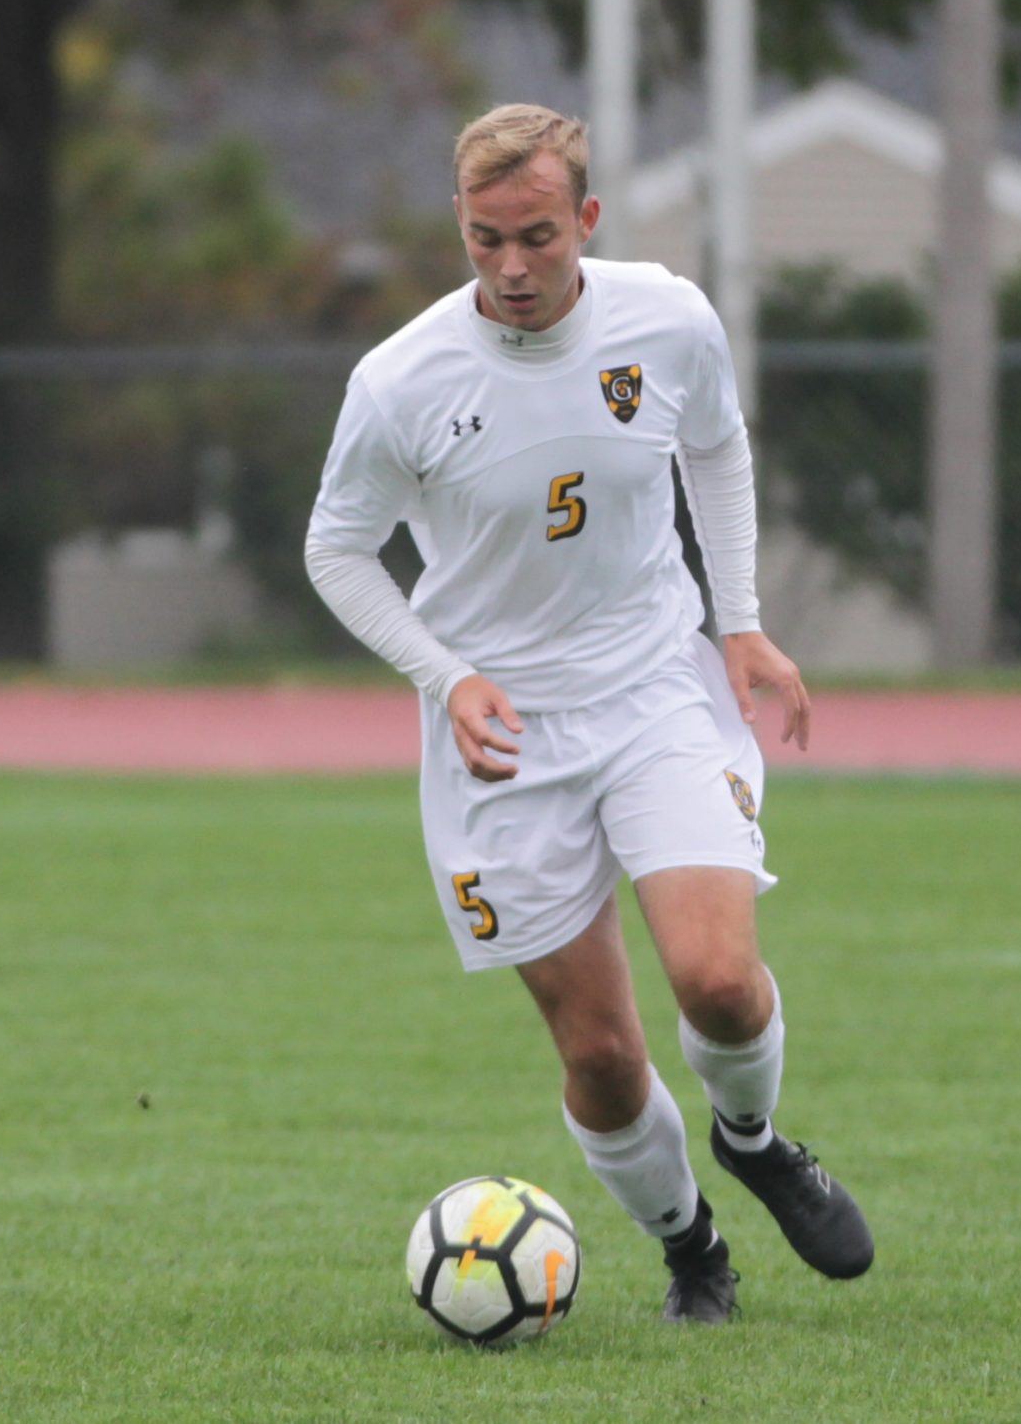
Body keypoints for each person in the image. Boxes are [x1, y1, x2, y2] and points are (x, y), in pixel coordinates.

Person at [304, 103, 872, 1324]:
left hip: (655, 683)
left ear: (588, 222)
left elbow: (715, 448)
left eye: (538, 238)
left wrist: (740, 616)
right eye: (483, 240)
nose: (511, 268)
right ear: (459, 230)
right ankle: (693, 1252)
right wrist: (445, 675)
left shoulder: (664, 315)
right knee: (604, 1058)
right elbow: (336, 550)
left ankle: (755, 1138)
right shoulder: (400, 380)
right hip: (504, 735)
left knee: (719, 981)